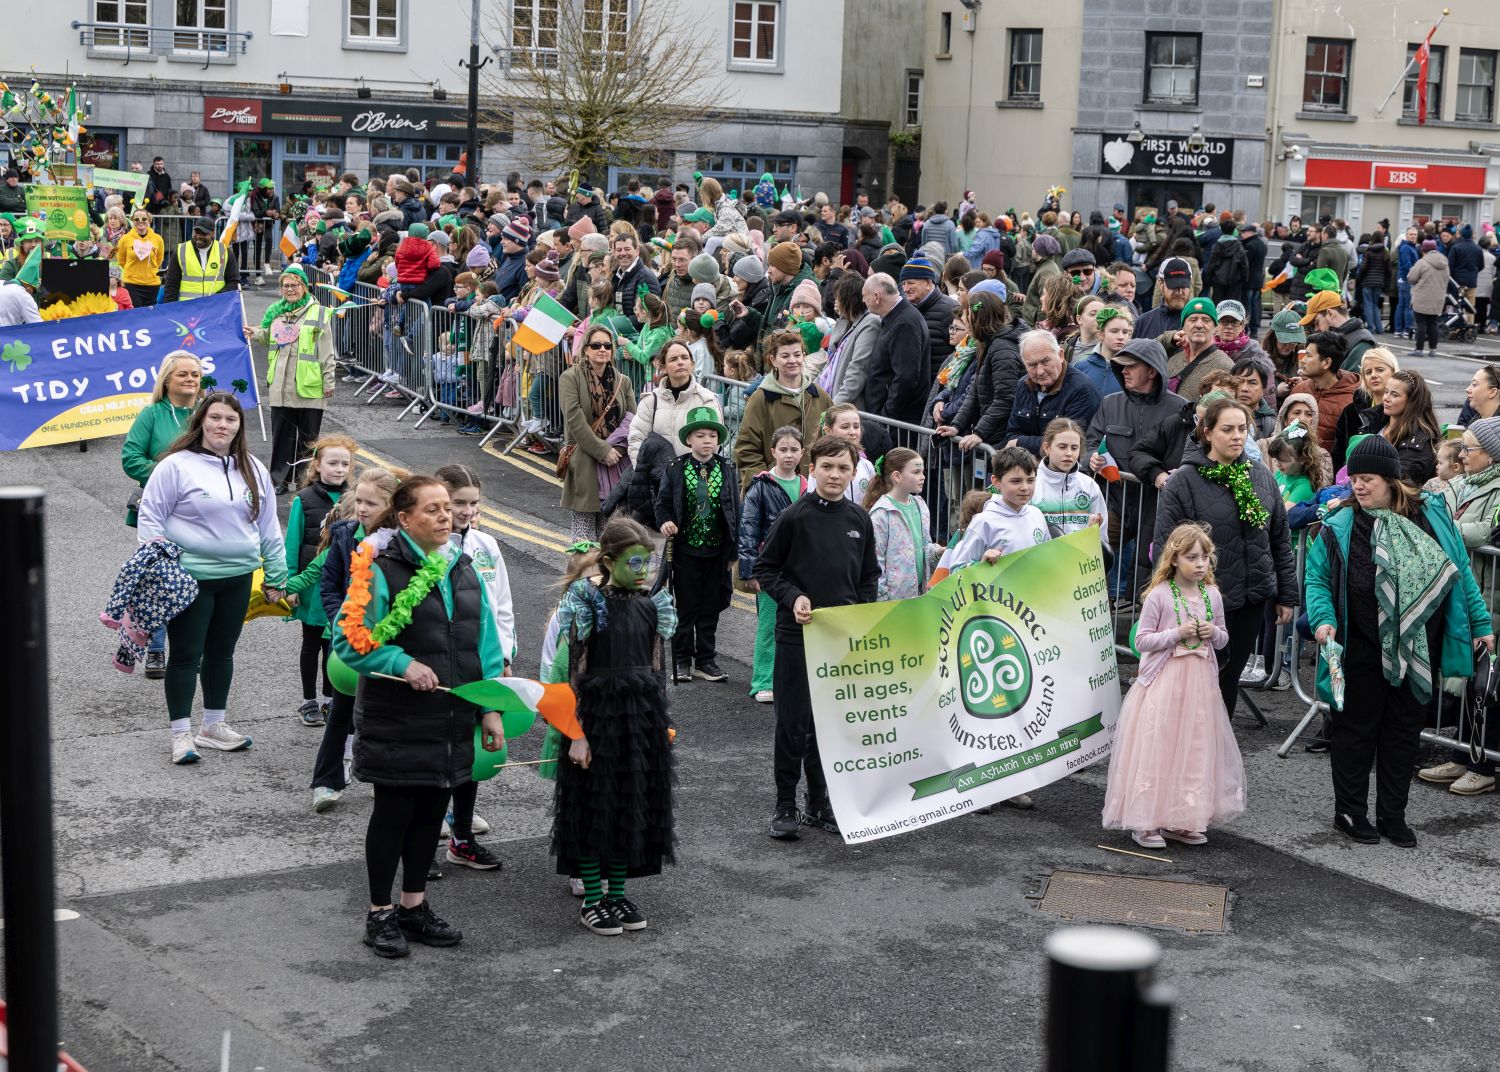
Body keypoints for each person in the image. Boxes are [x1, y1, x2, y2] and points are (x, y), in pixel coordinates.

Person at [331, 476, 507, 956]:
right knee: (394, 814)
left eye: (447, 508)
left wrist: (490, 707)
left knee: (431, 812)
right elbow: (349, 640)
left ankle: (413, 906)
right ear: (405, 519)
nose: (445, 516)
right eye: (432, 509)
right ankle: (379, 913)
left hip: (450, 715)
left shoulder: (463, 567)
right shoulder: (380, 570)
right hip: (397, 717)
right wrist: (401, 664)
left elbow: (485, 645)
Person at [1305, 436, 1492, 847]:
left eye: (1367, 479)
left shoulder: (1431, 515)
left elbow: (1460, 571)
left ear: (1391, 479)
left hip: (1418, 644)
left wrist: (1480, 624)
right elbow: (1317, 578)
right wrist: (1323, 621)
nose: (1358, 486)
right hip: (1360, 644)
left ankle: (1393, 816)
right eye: (1355, 478)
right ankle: (1350, 812)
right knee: (1356, 731)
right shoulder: (1340, 523)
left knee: (1403, 732)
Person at [137, 392, 287, 766]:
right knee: (186, 655)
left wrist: (277, 574)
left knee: (222, 652)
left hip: (238, 577)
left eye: (231, 419)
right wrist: (160, 567)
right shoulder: (175, 466)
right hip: (189, 579)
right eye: (216, 417)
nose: (223, 425)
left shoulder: (252, 467)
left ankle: (213, 726)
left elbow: (268, 524)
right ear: (201, 421)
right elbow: (151, 519)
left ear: (239, 426)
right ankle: (180, 734)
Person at [554, 515, 678, 935]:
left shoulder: (651, 606)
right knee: (593, 807)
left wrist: (660, 722)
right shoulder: (589, 605)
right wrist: (577, 735)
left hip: (639, 719)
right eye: (634, 563)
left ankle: (617, 894)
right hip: (596, 720)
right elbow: (574, 676)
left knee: (630, 803)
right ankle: (593, 898)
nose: (643, 571)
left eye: (647, 562)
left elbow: (656, 669)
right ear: (608, 562)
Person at [755, 435, 880, 840]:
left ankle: (819, 801)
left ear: (853, 473)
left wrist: (860, 617)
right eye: (827, 466)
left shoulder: (859, 519)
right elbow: (765, 568)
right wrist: (793, 597)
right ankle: (784, 804)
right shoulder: (794, 517)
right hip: (798, 637)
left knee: (830, 726)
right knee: (793, 724)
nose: (835, 474)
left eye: (843, 468)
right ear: (812, 470)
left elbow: (868, 577)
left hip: (839, 642)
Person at [1101, 522, 1244, 849]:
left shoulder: (1212, 595)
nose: (1200, 564)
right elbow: (1141, 640)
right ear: (1175, 559)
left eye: (1204, 557)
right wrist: (1176, 634)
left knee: (1194, 747)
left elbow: (1223, 638)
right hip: (1165, 682)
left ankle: (1183, 818)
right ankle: (1146, 820)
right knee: (1159, 746)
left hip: (1199, 684)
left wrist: (1212, 632)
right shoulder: (1160, 596)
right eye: (1192, 557)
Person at [1153, 397, 1297, 718]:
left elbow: (1278, 539)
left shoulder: (1260, 475)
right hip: (1201, 601)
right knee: (1198, 680)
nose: (1237, 436)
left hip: (1250, 599)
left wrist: (1285, 594)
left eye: (1242, 429)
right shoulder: (1183, 482)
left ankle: (1218, 743)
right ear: (1207, 433)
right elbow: (1166, 548)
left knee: (1229, 679)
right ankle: (1187, 743)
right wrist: (1170, 603)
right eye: (1227, 429)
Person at [432, 464, 515, 872]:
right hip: (440, 666)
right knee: (435, 753)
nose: (466, 512)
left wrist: (506, 656)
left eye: (473, 504)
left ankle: (461, 838)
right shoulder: (427, 548)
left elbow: (502, 605)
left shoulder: (486, 545)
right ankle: (422, 844)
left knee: (471, 751)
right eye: (457, 503)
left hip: (481, 664)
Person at [1419, 416, 1500, 795]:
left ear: (1492, 455)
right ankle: (1461, 754)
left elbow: (1486, 532)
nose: (1462, 454)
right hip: (1466, 597)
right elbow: (1441, 521)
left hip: (1490, 598)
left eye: (1470, 448)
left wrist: (1450, 529)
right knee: (1467, 678)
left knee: (1488, 684)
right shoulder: (1464, 483)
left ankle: (1482, 765)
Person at [120, 351, 203, 678]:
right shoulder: (152, 415)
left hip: (200, 509)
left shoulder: (208, 413)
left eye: (195, 374)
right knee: (161, 579)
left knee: (196, 577)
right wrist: (167, 474)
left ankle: (191, 650)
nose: (190, 379)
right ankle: (156, 649)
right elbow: (131, 458)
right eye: (183, 374)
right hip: (161, 508)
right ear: (167, 380)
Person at [656, 406, 739, 684]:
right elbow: (663, 504)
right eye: (700, 435)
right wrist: (666, 522)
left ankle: (705, 659)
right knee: (686, 607)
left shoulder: (727, 469)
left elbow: (734, 510)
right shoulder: (676, 469)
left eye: (712, 436)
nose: (707, 441)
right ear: (689, 439)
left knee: (710, 608)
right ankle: (682, 660)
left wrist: (733, 550)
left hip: (717, 552)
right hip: (686, 551)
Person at [285, 436, 353, 726]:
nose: (339, 469)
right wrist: (290, 583)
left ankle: (330, 698)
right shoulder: (303, 499)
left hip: (342, 585)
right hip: (311, 586)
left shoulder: (354, 498)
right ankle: (308, 701)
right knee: (311, 643)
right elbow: (292, 543)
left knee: (333, 644)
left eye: (345, 464)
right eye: (332, 463)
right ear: (317, 465)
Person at [738, 425, 807, 704]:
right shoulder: (760, 486)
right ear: (773, 452)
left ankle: (791, 681)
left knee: (800, 625)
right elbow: (748, 529)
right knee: (768, 625)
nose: (789, 455)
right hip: (771, 568)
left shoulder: (808, 486)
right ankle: (763, 681)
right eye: (783, 449)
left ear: (802, 453)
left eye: (794, 450)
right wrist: (750, 570)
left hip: (801, 568)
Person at [560, 323, 638, 541]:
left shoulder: (623, 381)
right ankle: (585, 566)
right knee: (584, 539)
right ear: (586, 349)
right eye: (596, 345)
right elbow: (575, 421)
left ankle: (606, 566)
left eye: (607, 345)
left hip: (616, 462)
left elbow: (632, 418)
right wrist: (602, 450)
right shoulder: (570, 378)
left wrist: (617, 449)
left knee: (612, 536)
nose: (602, 349)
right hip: (585, 459)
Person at [734, 330, 831, 492]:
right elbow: (746, 449)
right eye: (785, 356)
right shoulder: (761, 399)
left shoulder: (819, 395)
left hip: (813, 490)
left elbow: (832, 439)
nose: (792, 360)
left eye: (797, 355)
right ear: (773, 360)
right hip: (775, 490)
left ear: (804, 356)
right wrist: (765, 485)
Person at [944, 445, 1050, 573]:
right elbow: (956, 570)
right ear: (996, 482)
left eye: (1030, 480)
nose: (1025, 487)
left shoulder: (1036, 514)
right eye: (1016, 481)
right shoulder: (983, 521)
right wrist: (981, 564)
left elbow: (1048, 556)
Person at [1002, 329, 1102, 456]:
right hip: (1026, 465)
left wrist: (1020, 442)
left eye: (1045, 362)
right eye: (1032, 365)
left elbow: (1067, 443)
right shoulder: (1024, 385)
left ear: (1060, 355)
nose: (1040, 371)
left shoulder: (1082, 389)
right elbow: (1011, 434)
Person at [627, 338, 722, 465]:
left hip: (693, 474)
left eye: (684, 358)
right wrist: (642, 471)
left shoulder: (707, 399)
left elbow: (713, 444)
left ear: (692, 364)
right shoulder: (650, 401)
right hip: (656, 476)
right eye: (673, 359)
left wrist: (694, 473)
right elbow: (636, 438)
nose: (680, 362)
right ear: (663, 367)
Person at [865, 447, 942, 601]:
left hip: (919, 596)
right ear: (897, 476)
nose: (923, 477)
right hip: (893, 602)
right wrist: (882, 600)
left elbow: (923, 546)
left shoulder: (920, 505)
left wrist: (937, 552)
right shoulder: (882, 513)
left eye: (923, 472)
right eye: (916, 472)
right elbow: (875, 561)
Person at [1034, 418, 1108, 542]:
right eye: (1062, 447)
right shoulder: (1032, 483)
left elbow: (1102, 536)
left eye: (1074, 448)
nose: (1069, 453)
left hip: (1080, 553)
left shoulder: (1089, 485)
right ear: (1047, 448)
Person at [1289, 331, 1358, 455]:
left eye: (1308, 355)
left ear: (1326, 362)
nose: (1303, 361)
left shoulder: (1351, 400)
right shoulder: (1300, 389)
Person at [1331, 347, 1399, 470]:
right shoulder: (1350, 412)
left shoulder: (1405, 410)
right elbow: (1338, 456)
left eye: (1380, 370)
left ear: (1394, 372)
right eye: (1368, 372)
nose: (1373, 375)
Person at [162, 217, 240, 302]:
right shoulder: (180, 251)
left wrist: (218, 297)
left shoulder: (225, 252)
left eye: (204, 233)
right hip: (188, 307)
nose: (199, 236)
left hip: (216, 306)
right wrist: (170, 308)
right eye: (197, 232)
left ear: (213, 234)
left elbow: (234, 282)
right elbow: (171, 284)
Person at [1407, 238, 1451, 354]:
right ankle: (1433, 349)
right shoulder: (1445, 263)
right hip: (1438, 298)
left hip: (1422, 297)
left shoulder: (1422, 262)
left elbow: (1411, 278)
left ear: (1423, 250)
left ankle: (1419, 349)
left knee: (1421, 324)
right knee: (1433, 323)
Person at [116, 209, 165, 308]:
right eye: (136, 219)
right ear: (132, 221)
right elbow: (121, 260)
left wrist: (149, 270)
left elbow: (159, 259)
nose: (140, 221)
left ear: (149, 220)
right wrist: (133, 271)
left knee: (151, 315)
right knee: (136, 314)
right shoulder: (125, 239)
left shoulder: (158, 239)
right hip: (131, 284)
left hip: (152, 284)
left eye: (144, 218)